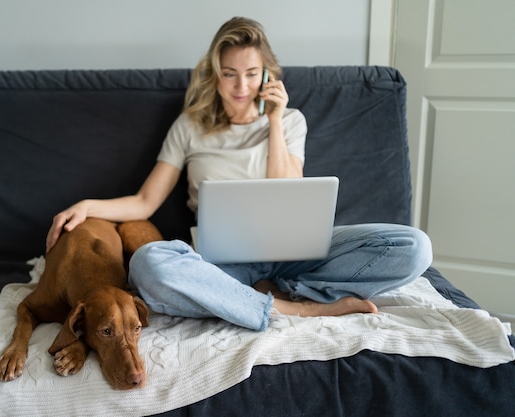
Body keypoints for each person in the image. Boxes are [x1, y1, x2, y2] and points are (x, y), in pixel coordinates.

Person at [46, 17, 433, 331]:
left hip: (297, 254)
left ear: (268, 74)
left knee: (414, 247)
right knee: (149, 263)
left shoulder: (292, 121)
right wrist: (86, 205)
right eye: (230, 74)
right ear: (215, 75)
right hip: (225, 263)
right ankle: (294, 308)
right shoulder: (190, 126)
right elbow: (145, 202)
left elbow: (287, 191)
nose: (241, 86)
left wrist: (275, 121)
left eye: (251, 73)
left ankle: (287, 291)